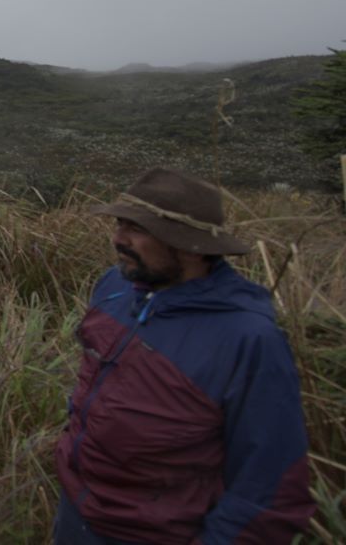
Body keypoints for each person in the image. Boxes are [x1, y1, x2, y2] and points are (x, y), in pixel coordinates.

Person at [54, 168, 314, 544]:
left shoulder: (248, 340)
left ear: (190, 245)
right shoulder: (115, 287)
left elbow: (268, 494)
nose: (117, 239)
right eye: (119, 224)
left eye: (137, 230)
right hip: (76, 515)